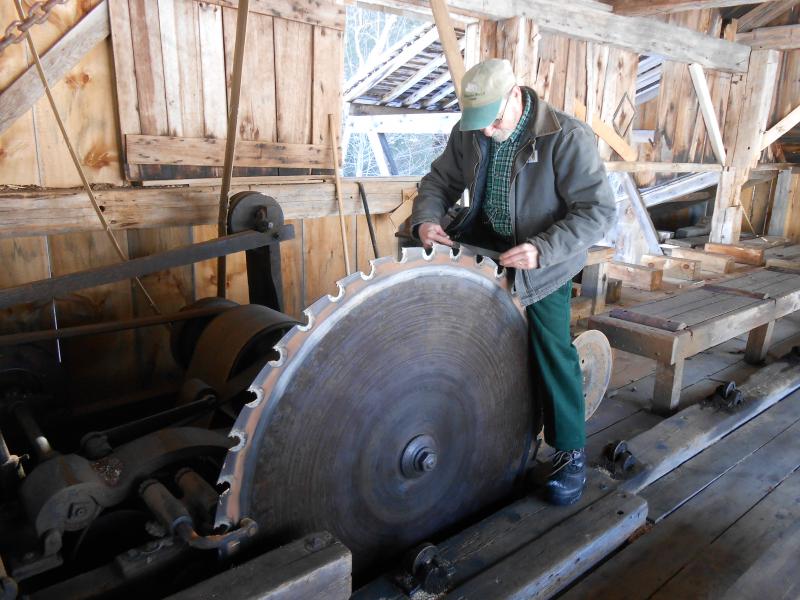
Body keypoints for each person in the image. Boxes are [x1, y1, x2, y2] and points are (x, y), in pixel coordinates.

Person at [411, 58, 617, 505]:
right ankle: (465, 421)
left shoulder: (566, 137)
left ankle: (570, 452)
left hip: (544, 259)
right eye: (479, 124)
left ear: (515, 95)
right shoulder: (471, 130)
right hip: (487, 242)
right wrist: (426, 220)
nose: (486, 132)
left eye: (494, 121)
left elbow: (598, 211)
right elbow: (439, 181)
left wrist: (543, 249)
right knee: (454, 329)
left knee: (551, 347)